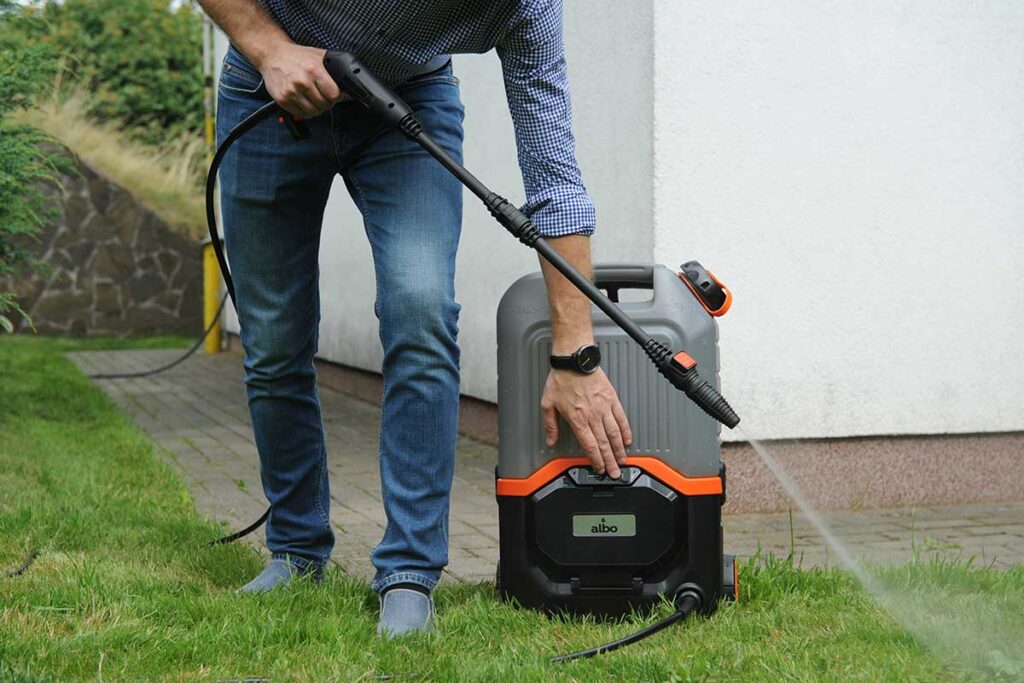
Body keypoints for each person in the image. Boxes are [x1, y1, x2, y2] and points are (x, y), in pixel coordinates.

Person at [199, 0, 633, 637]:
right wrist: (267, 47)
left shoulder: (529, 8)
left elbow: (554, 175)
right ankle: (295, 550)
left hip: (405, 101)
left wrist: (575, 351)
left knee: (422, 312)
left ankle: (409, 572)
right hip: (269, 96)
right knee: (273, 339)